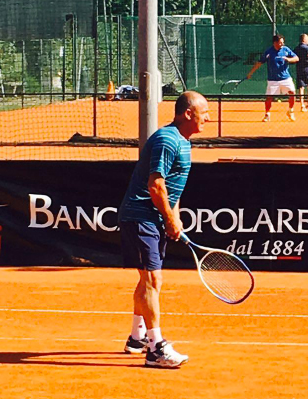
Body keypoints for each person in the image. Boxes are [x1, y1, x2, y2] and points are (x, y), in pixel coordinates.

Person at [119, 91, 210, 368]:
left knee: (148, 278)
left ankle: (137, 337)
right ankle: (156, 348)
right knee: (152, 280)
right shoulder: (166, 140)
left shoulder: (183, 141)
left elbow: (171, 186)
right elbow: (155, 185)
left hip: (153, 217)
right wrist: (169, 219)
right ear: (187, 114)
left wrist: (175, 217)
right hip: (140, 216)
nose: (208, 117)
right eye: (204, 112)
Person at [246, 34, 300, 122]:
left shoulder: (286, 49)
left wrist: (288, 59)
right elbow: (259, 63)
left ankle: (291, 111)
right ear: (275, 43)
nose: (282, 44)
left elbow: (296, 58)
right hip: (272, 80)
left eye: (283, 42)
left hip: (286, 78)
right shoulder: (268, 52)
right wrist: (250, 73)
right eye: (280, 43)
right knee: (269, 98)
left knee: (292, 93)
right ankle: (267, 114)